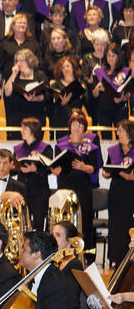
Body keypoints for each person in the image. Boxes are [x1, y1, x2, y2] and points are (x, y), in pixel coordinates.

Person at [52, 111, 101, 257]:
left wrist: (83, 167)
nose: (77, 128)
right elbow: (55, 167)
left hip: (83, 187)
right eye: (74, 124)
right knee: (65, 221)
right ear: (70, 126)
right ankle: (63, 255)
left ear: (84, 129)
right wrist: (55, 170)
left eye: (80, 125)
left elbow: (94, 168)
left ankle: (86, 256)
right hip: (65, 187)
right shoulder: (61, 146)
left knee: (84, 221)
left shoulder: (91, 147)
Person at [102, 120, 134, 265]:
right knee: (116, 226)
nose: (117, 133)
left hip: (131, 191)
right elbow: (107, 169)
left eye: (120, 130)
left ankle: (130, 259)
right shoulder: (114, 150)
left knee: (129, 224)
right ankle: (117, 259)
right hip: (116, 191)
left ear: (129, 132)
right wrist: (106, 173)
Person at [14, 118, 54, 231]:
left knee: (39, 224)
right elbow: (13, 170)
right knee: (22, 224)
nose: (21, 131)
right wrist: (13, 167)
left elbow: (50, 168)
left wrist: (35, 169)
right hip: (22, 191)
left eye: (25, 128)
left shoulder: (45, 148)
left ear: (33, 130)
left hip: (39, 192)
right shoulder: (18, 149)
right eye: (22, 128)